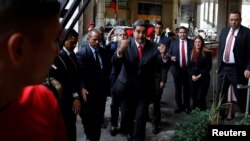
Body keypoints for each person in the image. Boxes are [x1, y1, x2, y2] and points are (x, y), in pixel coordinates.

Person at [0, 0, 68, 141]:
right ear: (19, 48)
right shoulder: (41, 101)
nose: (57, 51)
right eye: (55, 39)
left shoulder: (43, 100)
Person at [112, 19, 170, 141]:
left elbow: (163, 64)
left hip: (143, 92)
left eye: (143, 32)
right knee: (127, 118)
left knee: (140, 120)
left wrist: (164, 56)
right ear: (133, 32)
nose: (141, 35)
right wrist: (120, 51)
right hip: (127, 90)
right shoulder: (125, 44)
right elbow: (115, 62)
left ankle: (137, 137)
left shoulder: (154, 47)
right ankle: (130, 133)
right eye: (138, 32)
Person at [76, 29, 111, 141]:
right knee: (89, 121)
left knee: (98, 121)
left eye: (99, 40)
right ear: (88, 39)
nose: (97, 42)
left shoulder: (103, 51)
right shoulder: (82, 54)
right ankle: (90, 137)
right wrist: (82, 87)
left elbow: (107, 70)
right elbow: (80, 74)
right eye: (94, 40)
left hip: (101, 93)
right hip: (88, 93)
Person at [49, 29, 81, 141]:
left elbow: (76, 77)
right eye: (72, 42)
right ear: (65, 41)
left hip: (71, 101)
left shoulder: (73, 55)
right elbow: (66, 80)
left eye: (76, 42)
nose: (74, 45)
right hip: (63, 101)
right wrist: (75, 96)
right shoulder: (58, 57)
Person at [217, 10, 250, 117]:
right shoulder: (224, 31)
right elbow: (221, 49)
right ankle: (220, 116)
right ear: (229, 20)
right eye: (231, 20)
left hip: (237, 70)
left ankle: (246, 116)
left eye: (236, 20)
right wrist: (219, 65)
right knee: (220, 94)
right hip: (223, 69)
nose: (234, 22)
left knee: (241, 95)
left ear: (240, 20)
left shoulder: (247, 33)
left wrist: (248, 68)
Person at [168, 26, 193, 114]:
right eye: (181, 32)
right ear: (178, 33)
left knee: (187, 89)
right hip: (177, 70)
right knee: (178, 90)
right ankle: (179, 106)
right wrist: (171, 57)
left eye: (184, 32)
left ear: (187, 33)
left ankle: (187, 106)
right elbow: (169, 53)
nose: (182, 34)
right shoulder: (173, 42)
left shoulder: (191, 42)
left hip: (188, 71)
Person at [151, 21, 170, 134]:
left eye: (160, 28)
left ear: (162, 29)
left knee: (156, 102)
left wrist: (163, 80)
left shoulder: (166, 41)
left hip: (158, 76)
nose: (158, 29)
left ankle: (155, 123)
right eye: (156, 27)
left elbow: (165, 65)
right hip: (148, 77)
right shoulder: (149, 39)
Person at [189, 35, 212, 111]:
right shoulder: (191, 52)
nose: (197, 43)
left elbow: (209, 67)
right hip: (193, 78)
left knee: (201, 97)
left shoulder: (207, 53)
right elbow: (189, 66)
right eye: (196, 42)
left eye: (199, 42)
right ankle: (195, 113)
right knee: (193, 96)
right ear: (194, 43)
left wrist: (199, 76)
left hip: (203, 78)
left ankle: (202, 111)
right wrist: (192, 75)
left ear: (202, 43)